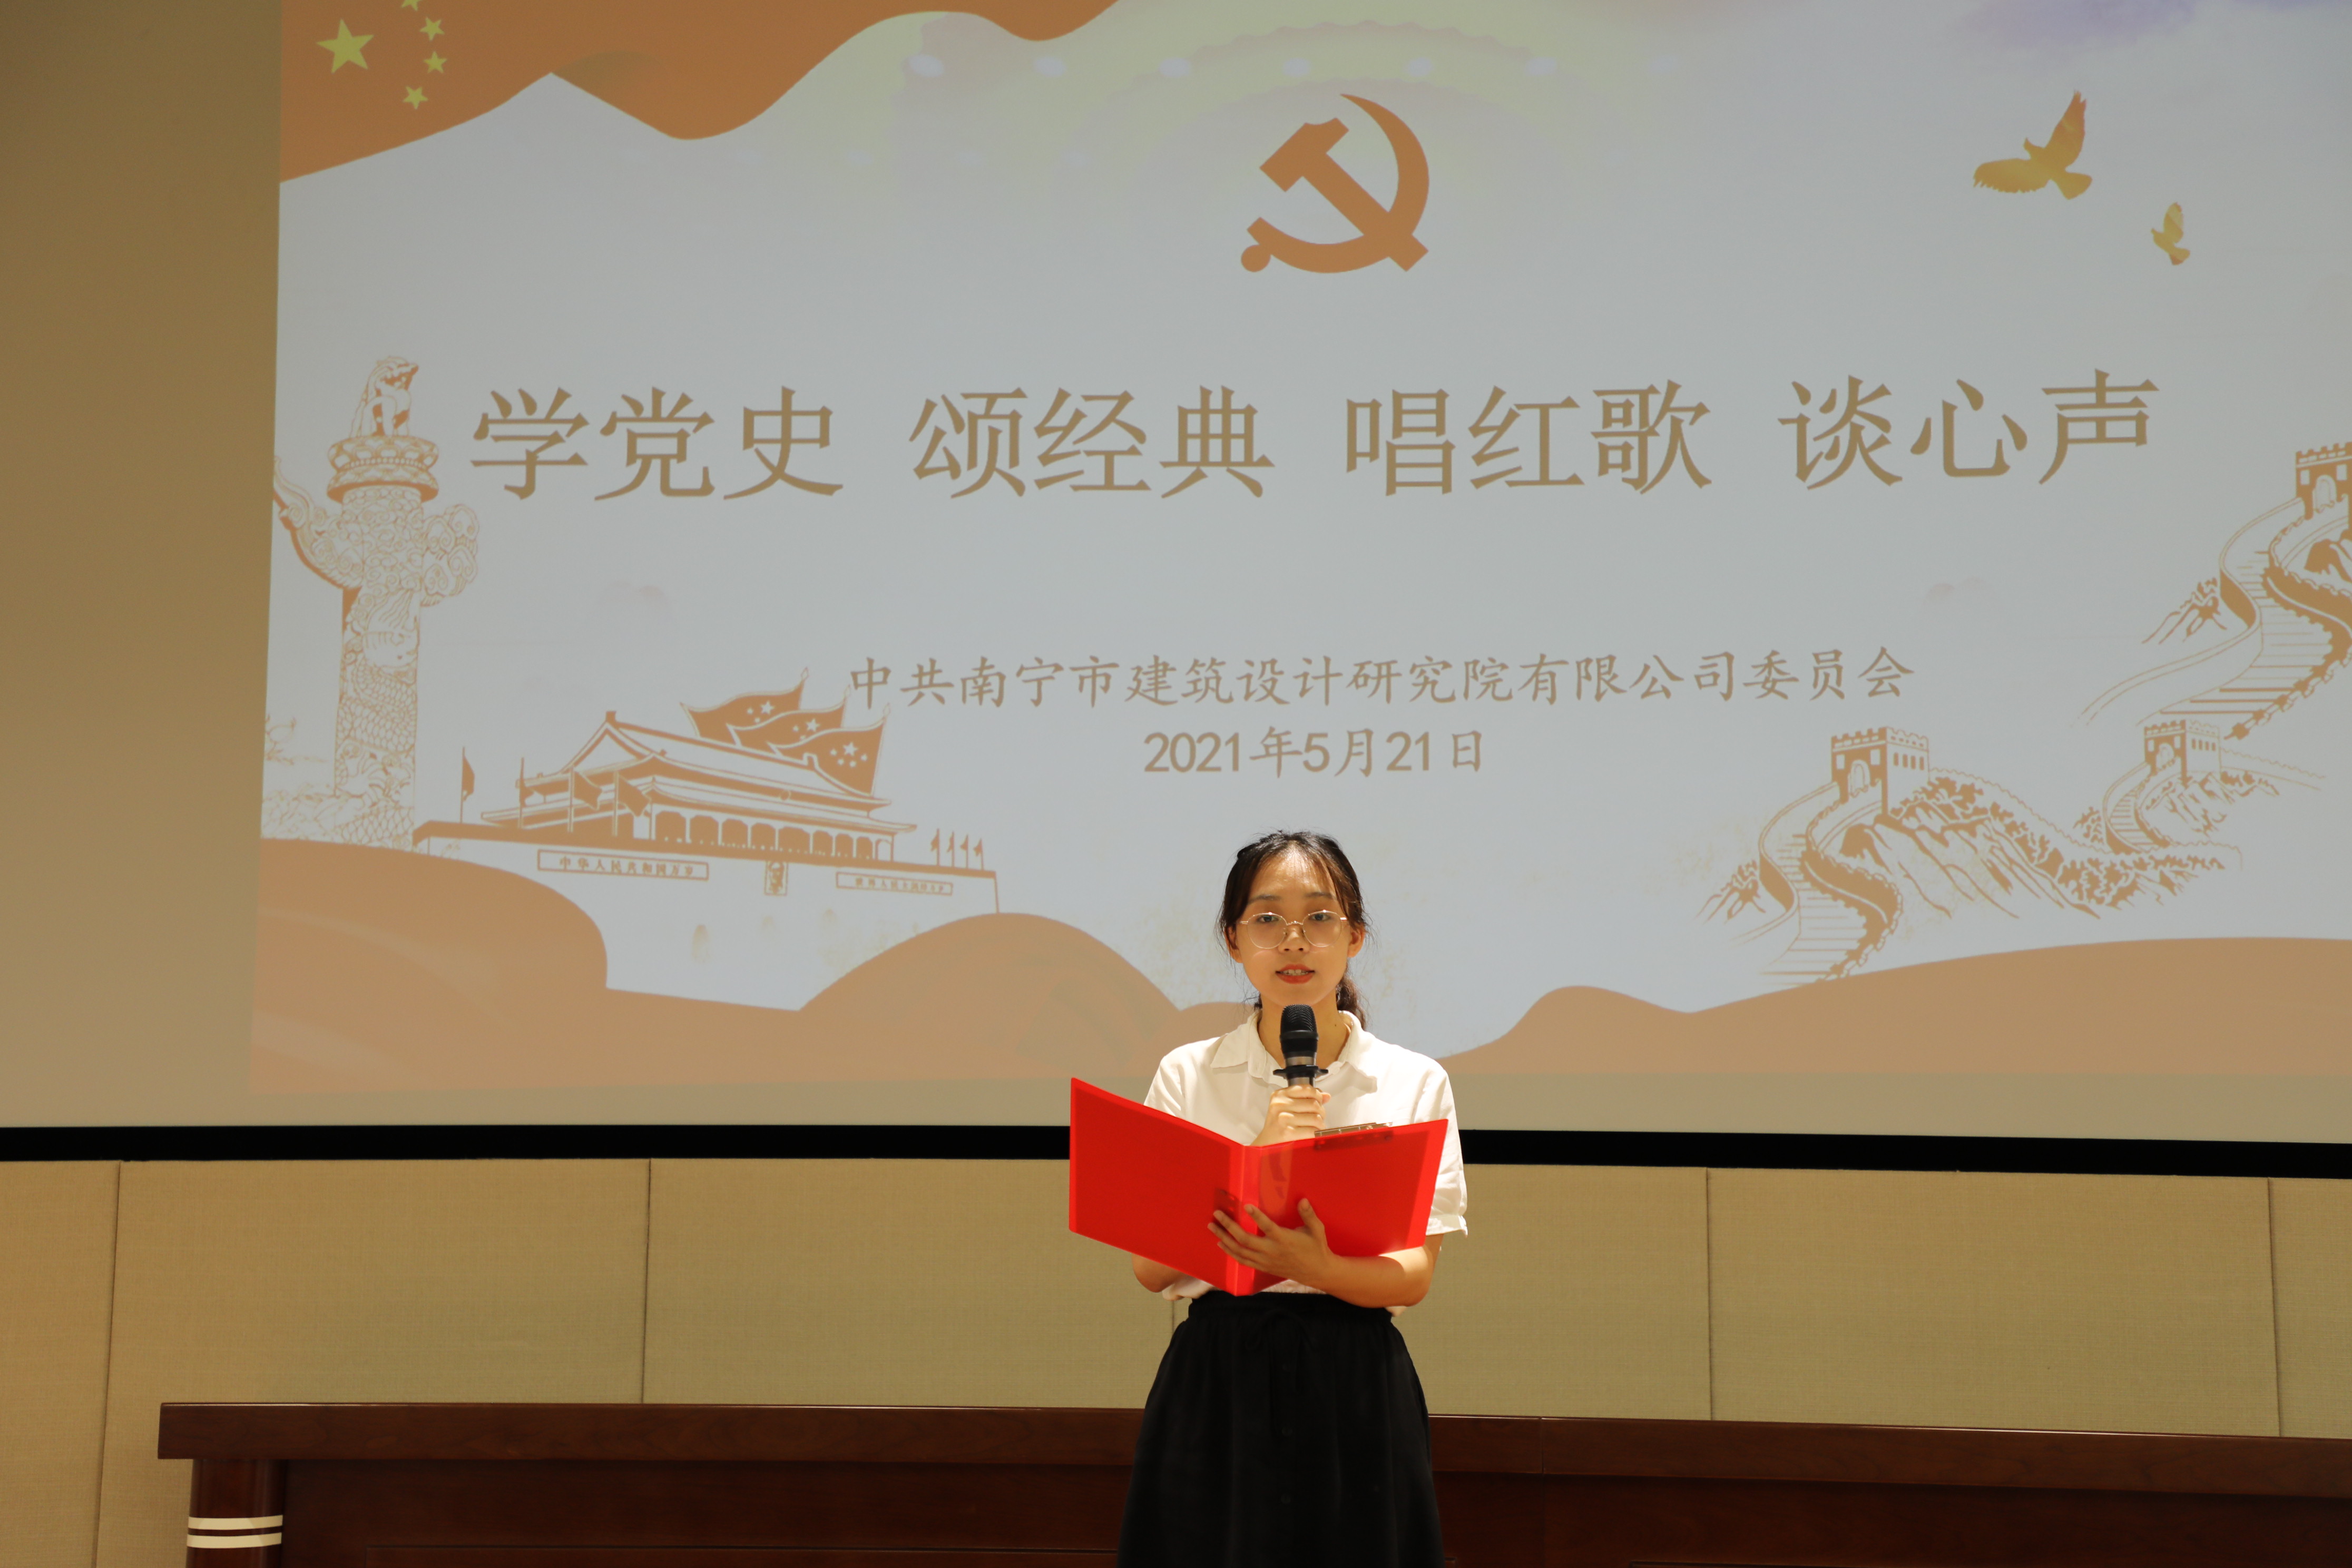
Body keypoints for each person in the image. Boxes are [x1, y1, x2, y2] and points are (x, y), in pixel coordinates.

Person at [1118, 829, 1467, 1568]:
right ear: (1233, 939)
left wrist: (1318, 1267)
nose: (1294, 939)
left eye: (1320, 916)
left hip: (1355, 1376)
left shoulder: (1413, 1082)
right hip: (1218, 1372)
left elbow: (1413, 1275)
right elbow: (1151, 1268)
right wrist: (1257, 1159)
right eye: (1268, 918)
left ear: (1356, 937)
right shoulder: (1187, 1075)